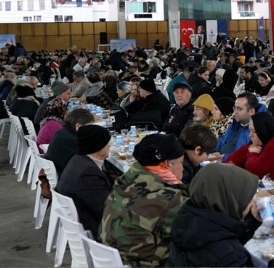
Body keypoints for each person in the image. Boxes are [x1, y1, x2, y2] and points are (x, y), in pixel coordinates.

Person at [167, 164, 274, 268]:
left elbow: (219, 237)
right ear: (230, 199)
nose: (251, 202)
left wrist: (250, 222)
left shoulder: (187, 219)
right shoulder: (229, 256)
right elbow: (224, 251)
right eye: (247, 197)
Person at [101, 134, 189, 267]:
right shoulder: (170, 199)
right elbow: (195, 234)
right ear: (167, 164)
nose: (183, 169)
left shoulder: (124, 182)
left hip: (112, 259)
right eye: (181, 162)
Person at [55, 124, 113, 237]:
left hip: (83, 217)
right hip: (97, 228)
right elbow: (106, 210)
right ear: (98, 146)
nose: (109, 146)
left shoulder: (78, 160)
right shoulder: (88, 173)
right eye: (107, 143)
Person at [43, 109, 96, 174]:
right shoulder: (73, 140)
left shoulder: (62, 132)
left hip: (58, 171)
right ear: (78, 126)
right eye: (89, 126)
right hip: (66, 176)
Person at [216, 93, 257, 161]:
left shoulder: (254, 131)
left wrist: (224, 157)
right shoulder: (234, 124)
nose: (235, 112)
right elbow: (222, 140)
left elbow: (244, 156)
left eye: (239, 109)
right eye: (235, 108)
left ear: (251, 111)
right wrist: (213, 151)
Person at [36, 82, 73, 149]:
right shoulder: (53, 123)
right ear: (59, 95)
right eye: (68, 93)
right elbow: (64, 141)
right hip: (46, 149)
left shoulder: (51, 105)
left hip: (42, 140)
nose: (71, 96)